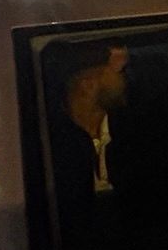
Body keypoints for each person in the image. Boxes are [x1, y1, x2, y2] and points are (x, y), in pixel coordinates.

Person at [45, 41, 129, 234]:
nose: (126, 77)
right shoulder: (51, 149)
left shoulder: (129, 130)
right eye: (119, 70)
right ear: (88, 84)